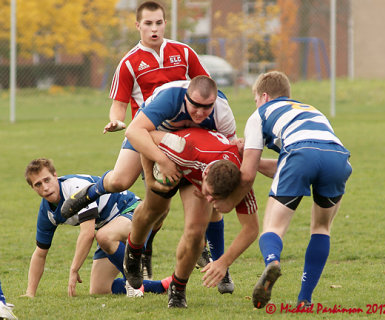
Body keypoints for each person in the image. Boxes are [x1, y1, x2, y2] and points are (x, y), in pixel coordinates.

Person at [63, 1, 210, 279]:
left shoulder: (184, 52)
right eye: (148, 24)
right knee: (120, 181)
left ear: (165, 23)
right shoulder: (130, 61)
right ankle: (88, 193)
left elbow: (206, 87)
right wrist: (117, 120)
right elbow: (119, 104)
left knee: (164, 206)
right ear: (137, 25)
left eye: (158, 23)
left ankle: (186, 249)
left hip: (180, 134)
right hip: (146, 133)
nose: (154, 29)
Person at [62, 76, 235, 287]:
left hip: (192, 149)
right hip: (151, 137)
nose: (200, 112)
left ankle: (219, 265)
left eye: (206, 107)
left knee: (212, 202)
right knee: (122, 181)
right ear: (186, 97)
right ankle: (91, 192)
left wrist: (210, 187)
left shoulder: (222, 112)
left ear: (214, 101)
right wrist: (159, 166)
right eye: (195, 105)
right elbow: (135, 131)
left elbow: (225, 153)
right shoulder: (170, 99)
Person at [213, 71, 352, 309]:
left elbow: (247, 173)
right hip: (338, 157)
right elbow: (288, 163)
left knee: (273, 228)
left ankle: (272, 262)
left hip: (300, 155)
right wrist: (250, 155)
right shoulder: (310, 109)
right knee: (321, 227)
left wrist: (230, 201)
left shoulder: (259, 114)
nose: (255, 103)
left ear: (264, 96)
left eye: (255, 99)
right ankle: (305, 299)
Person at [138, 127, 276, 308]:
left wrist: (224, 262)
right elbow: (144, 137)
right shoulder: (184, 150)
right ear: (204, 177)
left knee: (195, 233)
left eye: (216, 198)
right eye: (209, 194)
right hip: (176, 157)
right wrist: (150, 176)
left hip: (200, 165)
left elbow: (251, 229)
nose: (210, 200)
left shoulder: (241, 182)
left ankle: (177, 288)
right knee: (154, 212)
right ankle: (135, 251)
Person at [23, 158, 171, 298]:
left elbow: (87, 234)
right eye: (38, 184)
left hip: (132, 210)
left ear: (55, 176)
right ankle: (165, 285)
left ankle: (135, 285)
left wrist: (74, 269)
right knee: (100, 289)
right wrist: (30, 293)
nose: (45, 187)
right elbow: (40, 253)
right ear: (33, 188)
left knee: (103, 236)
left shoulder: (75, 188)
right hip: (110, 227)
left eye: (47, 180)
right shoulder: (46, 212)